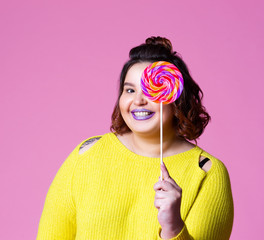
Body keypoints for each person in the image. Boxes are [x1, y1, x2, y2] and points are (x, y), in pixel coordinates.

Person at [37, 36, 234, 240]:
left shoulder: (207, 172)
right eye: (130, 90)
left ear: (175, 96)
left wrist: (173, 228)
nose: (138, 100)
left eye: (152, 90)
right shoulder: (87, 154)